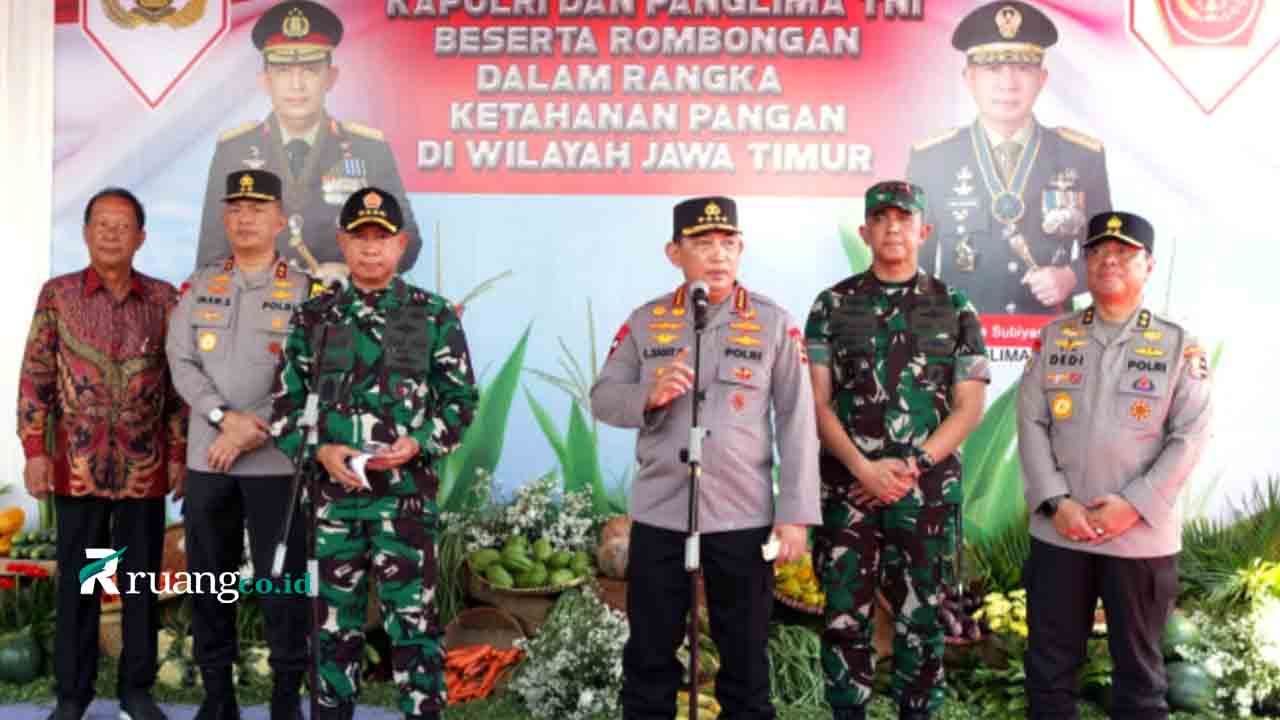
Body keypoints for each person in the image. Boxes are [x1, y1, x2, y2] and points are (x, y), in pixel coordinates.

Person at [590, 196, 821, 720]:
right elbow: (603, 397)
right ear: (675, 252)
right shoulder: (647, 322)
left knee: (745, 662)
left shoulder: (772, 323)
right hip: (662, 513)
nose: (717, 255)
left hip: (742, 515)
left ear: (740, 249)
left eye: (727, 243)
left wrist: (795, 517)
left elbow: (797, 421)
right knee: (649, 657)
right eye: (702, 243)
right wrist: (647, 393)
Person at [270, 187, 477, 720]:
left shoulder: (433, 316)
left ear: (401, 244)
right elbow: (284, 408)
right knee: (333, 630)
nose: (369, 250)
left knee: (415, 630)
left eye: (380, 239)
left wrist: (419, 441)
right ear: (342, 241)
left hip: (405, 505)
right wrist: (321, 450)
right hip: (335, 506)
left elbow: (460, 403)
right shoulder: (314, 318)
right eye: (358, 238)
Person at [805, 181, 989, 720]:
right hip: (848, 494)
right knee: (844, 621)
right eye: (880, 219)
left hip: (926, 497)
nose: (891, 228)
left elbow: (969, 407)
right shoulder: (832, 304)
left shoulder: (954, 307)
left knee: (923, 624)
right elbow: (816, 404)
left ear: (922, 231)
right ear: (864, 231)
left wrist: (911, 468)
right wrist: (863, 467)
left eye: (902, 219)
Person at [1018, 211, 1212, 719]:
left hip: (1141, 540)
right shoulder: (1056, 338)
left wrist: (1133, 506)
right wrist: (1057, 503)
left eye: (1124, 254)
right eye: (1099, 252)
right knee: (1049, 672)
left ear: (1148, 265)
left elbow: (1191, 435)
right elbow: (1031, 423)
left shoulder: (1178, 345)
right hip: (1061, 534)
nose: (1110, 262)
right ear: (1085, 264)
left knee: (1141, 680)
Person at [18, 188, 188, 720]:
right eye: (102, 224)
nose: (112, 233)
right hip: (78, 467)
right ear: (87, 232)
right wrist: (34, 450)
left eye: (124, 226)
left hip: (143, 466)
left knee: (138, 581)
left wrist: (179, 453)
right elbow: (36, 377)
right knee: (82, 580)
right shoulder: (59, 296)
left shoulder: (163, 300)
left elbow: (181, 384)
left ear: (141, 237)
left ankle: (136, 692)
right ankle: (73, 694)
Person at [167, 170, 315, 720]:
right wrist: (221, 418)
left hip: (276, 462)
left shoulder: (305, 291)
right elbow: (180, 360)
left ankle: (284, 699)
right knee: (211, 581)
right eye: (236, 208)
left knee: (284, 585)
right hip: (210, 457)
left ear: (280, 220)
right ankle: (217, 697)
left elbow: (310, 372)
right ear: (225, 219)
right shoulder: (201, 284)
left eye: (258, 208)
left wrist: (252, 428)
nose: (246, 217)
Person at [906, 0, 1111, 316]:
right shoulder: (932, 160)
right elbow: (911, 266)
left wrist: (1072, 276)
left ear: (1042, 79)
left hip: (1050, 342)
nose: (1008, 83)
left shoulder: (1081, 157)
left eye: (1023, 68)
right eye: (992, 68)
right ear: (969, 78)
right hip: (961, 346)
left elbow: (1106, 251)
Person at [196, 0, 421, 277]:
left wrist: (352, 270)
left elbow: (407, 242)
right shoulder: (234, 150)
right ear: (265, 81)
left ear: (331, 77)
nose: (297, 84)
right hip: (258, 312)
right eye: (283, 71)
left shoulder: (369, 150)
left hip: (341, 309)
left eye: (310, 70)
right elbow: (211, 256)